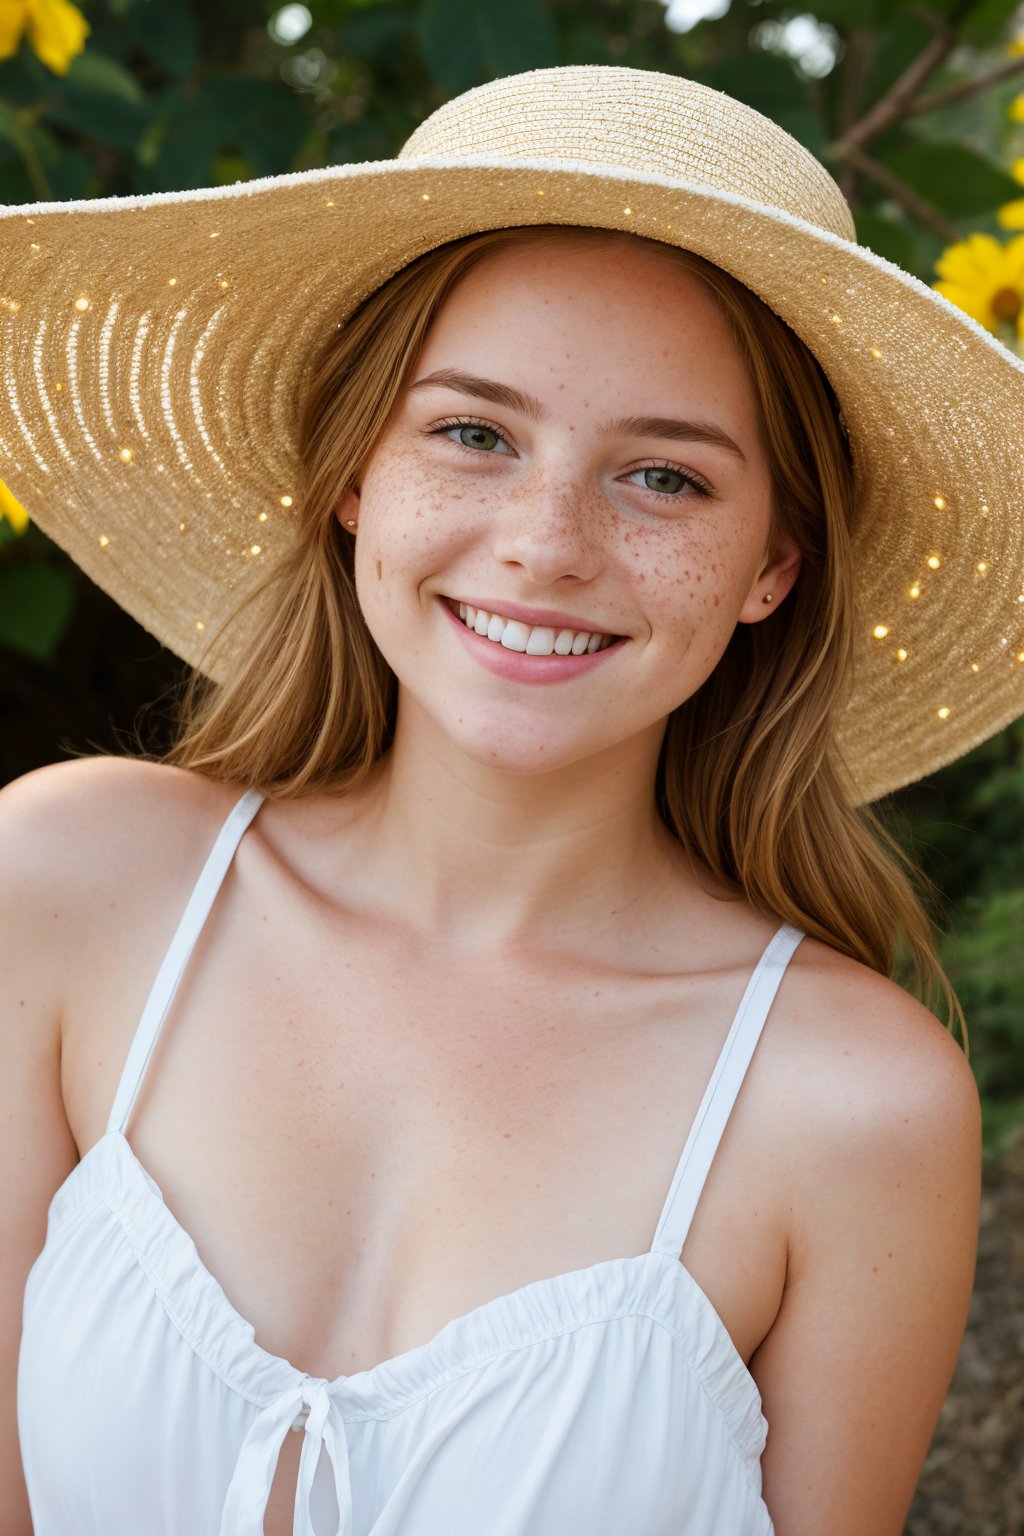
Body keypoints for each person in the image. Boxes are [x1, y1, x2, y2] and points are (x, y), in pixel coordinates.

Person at [1, 62, 1016, 1536]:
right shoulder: (67, 884)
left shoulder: (853, 1107)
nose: (546, 545)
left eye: (663, 478)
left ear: (771, 570)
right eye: (473, 434)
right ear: (357, 472)